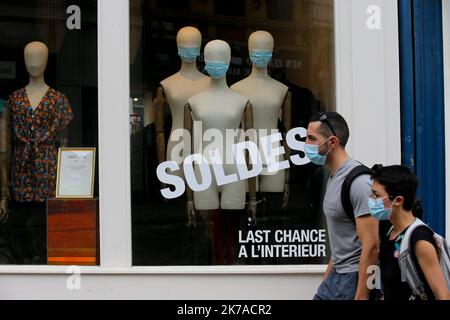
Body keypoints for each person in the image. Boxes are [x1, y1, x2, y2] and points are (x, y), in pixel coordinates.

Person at [306, 112, 379, 300]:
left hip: (354, 278)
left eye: (312, 138)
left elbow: (371, 247)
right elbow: (342, 237)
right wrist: (327, 278)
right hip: (336, 277)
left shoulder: (359, 183)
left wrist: (361, 295)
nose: (306, 144)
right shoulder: (333, 176)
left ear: (332, 142)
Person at [370, 165, 450, 300]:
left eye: (376, 195)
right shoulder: (390, 232)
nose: (371, 199)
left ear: (398, 201)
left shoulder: (420, 240)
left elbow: (443, 295)